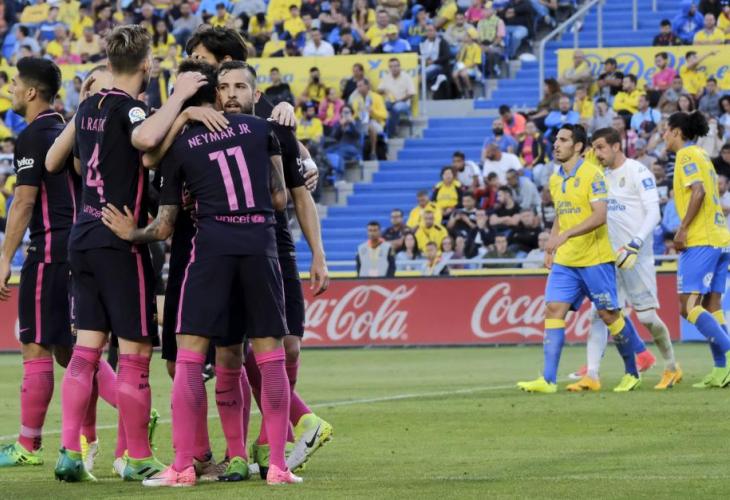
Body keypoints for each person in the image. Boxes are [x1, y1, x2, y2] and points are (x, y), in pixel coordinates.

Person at [102, 60, 301, 486]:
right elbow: (280, 198)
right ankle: (278, 467)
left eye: (237, 87)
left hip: (210, 249)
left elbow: (164, 225)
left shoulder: (183, 144)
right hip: (260, 245)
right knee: (270, 356)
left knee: (189, 357)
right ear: (219, 95)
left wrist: (131, 233)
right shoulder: (264, 130)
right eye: (226, 87)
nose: (231, 94)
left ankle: (183, 467)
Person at [53, 25, 178, 483]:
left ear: (108, 63)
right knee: (136, 351)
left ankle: (70, 451)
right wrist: (181, 106)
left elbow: (64, 162)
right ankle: (137, 456)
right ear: (147, 65)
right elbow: (147, 144)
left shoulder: (87, 107)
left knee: (86, 351)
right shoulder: (133, 110)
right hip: (118, 239)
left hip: (82, 236)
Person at [0, 58, 111, 470]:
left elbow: (24, 202)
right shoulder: (70, 131)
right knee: (71, 351)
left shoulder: (33, 136)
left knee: (35, 344)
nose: (10, 88)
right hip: (80, 244)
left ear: (31, 92)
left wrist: (4, 258)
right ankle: (133, 409)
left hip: (49, 250)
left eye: (14, 83)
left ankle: (28, 445)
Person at [517, 124, 645, 394]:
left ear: (577, 146)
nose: (556, 144)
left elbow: (600, 216)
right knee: (553, 309)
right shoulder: (556, 179)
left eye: (563, 140)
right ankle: (548, 380)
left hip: (595, 258)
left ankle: (632, 372)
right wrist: (552, 246)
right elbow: (561, 216)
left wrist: (565, 235)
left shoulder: (593, 175)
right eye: (556, 139)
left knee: (609, 314)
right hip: (566, 260)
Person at [568, 127, 677, 392]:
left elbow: (654, 213)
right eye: (594, 148)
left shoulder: (638, 172)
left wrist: (636, 242)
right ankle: (592, 374)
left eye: (601, 147)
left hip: (634, 256)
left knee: (647, 317)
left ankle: (672, 366)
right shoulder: (599, 175)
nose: (597, 153)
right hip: (606, 258)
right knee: (599, 314)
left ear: (616, 146)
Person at [664, 110, 730, 388]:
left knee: (688, 306)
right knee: (712, 305)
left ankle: (728, 354)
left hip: (701, 239)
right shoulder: (703, 155)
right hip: (720, 237)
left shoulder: (686, 155)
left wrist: (682, 229)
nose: (664, 136)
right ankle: (722, 369)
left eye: (666, 130)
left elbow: (699, 192)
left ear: (677, 132)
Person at [349, 79, 387, 160]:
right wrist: (358, 113)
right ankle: (354, 155)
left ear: (367, 86)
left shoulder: (377, 97)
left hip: (375, 122)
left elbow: (384, 115)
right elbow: (355, 115)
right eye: (357, 86)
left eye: (360, 86)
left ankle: (373, 152)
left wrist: (372, 112)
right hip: (361, 122)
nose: (358, 88)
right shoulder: (356, 99)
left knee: (371, 127)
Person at [378, 58, 415, 138]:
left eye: (396, 66)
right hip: (390, 102)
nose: (394, 68)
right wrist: (383, 91)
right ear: (389, 68)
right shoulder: (386, 77)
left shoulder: (406, 77)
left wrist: (398, 101)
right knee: (382, 107)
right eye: (391, 66)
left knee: (396, 108)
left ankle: (390, 133)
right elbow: (379, 90)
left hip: (403, 103)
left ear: (399, 67)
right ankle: (382, 131)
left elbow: (411, 93)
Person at [420, 24, 451, 93]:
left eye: (431, 30)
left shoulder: (442, 42)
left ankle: (424, 93)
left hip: (439, 65)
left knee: (424, 73)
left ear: (435, 31)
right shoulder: (423, 42)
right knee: (415, 70)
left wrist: (433, 61)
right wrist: (424, 61)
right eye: (427, 31)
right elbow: (420, 55)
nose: (429, 32)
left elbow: (446, 56)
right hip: (425, 64)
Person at [452, 28, 482, 99]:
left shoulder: (476, 47)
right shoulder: (463, 46)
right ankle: (460, 92)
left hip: (472, 68)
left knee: (463, 74)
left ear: (471, 38)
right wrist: (459, 52)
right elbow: (458, 59)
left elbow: (476, 62)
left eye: (467, 36)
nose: (465, 37)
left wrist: (465, 68)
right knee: (454, 75)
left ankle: (470, 90)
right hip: (461, 66)